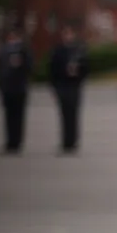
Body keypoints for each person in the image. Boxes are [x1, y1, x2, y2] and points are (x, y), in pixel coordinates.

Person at [49, 24, 90, 154]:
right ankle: (65, 142)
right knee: (64, 115)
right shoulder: (58, 51)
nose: (68, 36)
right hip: (62, 85)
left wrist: (78, 74)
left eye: (70, 34)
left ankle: (73, 142)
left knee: (74, 115)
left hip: (74, 86)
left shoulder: (78, 50)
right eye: (66, 34)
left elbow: (86, 68)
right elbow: (53, 69)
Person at [0, 28, 33, 155]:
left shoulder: (24, 51)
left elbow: (29, 67)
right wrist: (0, 87)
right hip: (7, 89)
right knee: (9, 117)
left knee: (18, 116)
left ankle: (17, 142)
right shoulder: (3, 52)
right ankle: (10, 142)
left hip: (19, 88)